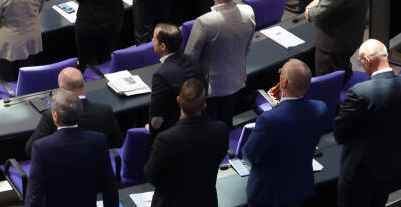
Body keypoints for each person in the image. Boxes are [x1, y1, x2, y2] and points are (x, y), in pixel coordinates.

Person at [244, 59, 329, 204]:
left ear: (283, 82)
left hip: (269, 193)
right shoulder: (320, 109)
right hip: (299, 186)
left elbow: (250, 155)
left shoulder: (269, 120)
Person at [333, 38, 401, 207]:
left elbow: (340, 134)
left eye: (360, 61)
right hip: (390, 164)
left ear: (367, 61)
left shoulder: (359, 93)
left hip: (360, 173)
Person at [184, 0, 256, 127]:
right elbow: (248, 46)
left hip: (211, 87)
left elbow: (190, 58)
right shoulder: (248, 11)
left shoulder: (205, 22)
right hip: (236, 79)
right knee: (226, 123)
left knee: (209, 127)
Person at [143, 77, 229, 207]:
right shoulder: (220, 130)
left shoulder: (165, 139)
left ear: (178, 101)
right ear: (204, 105)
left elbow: (151, 176)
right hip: (205, 201)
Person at [25, 90, 119, 207]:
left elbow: (34, 195)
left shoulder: (41, 147)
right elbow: (109, 186)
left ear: (55, 116)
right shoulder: (98, 141)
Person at [26, 66, 122, 157]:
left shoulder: (52, 115)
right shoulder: (105, 111)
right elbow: (117, 142)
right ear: (84, 84)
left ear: (62, 88)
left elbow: (30, 151)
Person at [148, 23, 204, 134]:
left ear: (163, 46)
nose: (152, 40)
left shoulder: (161, 75)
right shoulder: (193, 61)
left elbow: (156, 120)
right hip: (197, 123)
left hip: (172, 131)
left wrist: (150, 127)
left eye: (154, 39)